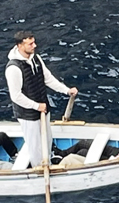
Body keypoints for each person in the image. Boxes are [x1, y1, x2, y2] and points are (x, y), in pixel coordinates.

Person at [5, 30, 77, 168]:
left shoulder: (36, 58)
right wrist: (37, 106)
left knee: (47, 140)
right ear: (20, 45)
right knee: (35, 147)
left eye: (34, 42)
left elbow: (48, 79)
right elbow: (16, 96)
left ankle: (48, 161)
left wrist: (66, 90)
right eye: (30, 44)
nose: (35, 46)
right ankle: (39, 168)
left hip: (43, 110)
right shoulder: (13, 68)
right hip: (28, 115)